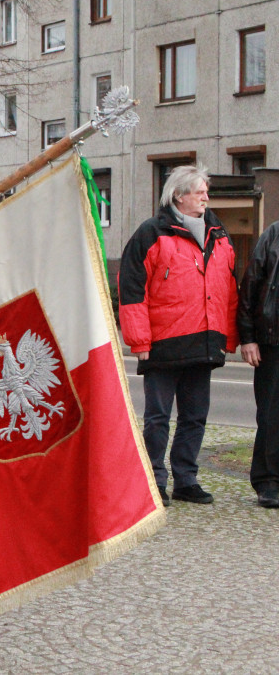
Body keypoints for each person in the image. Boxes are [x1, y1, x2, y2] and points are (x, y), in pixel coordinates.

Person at [118, 164, 238, 506]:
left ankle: (186, 479)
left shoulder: (219, 233)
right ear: (178, 195)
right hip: (163, 344)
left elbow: (229, 288)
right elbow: (131, 288)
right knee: (157, 418)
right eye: (199, 191)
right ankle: (155, 478)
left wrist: (227, 337)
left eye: (205, 191)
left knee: (195, 417)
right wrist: (139, 340)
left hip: (204, 341)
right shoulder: (151, 233)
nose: (206, 197)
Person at [237, 222, 279, 508]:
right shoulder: (274, 235)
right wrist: (248, 337)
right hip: (273, 339)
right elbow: (249, 285)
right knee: (272, 414)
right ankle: (268, 481)